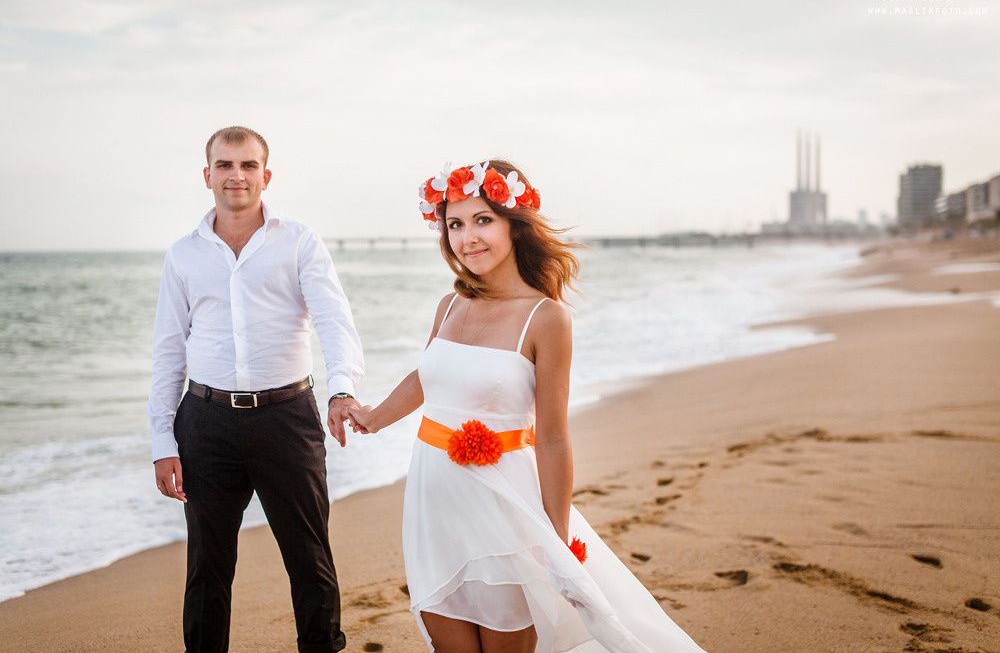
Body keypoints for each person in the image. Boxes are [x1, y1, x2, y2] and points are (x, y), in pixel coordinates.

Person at [348, 160, 705, 652]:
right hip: (433, 503)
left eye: (483, 220)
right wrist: (372, 418)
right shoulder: (449, 305)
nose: (468, 237)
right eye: (455, 224)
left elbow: (553, 437)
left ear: (514, 226)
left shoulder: (547, 318)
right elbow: (426, 377)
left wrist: (557, 542)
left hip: (504, 506)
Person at [148, 126, 364, 653]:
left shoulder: (300, 241)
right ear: (208, 175)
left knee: (309, 558)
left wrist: (341, 391)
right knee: (206, 566)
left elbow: (334, 321)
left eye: (248, 165)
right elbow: (169, 351)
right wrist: (162, 441)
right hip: (205, 422)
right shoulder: (183, 254)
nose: (236, 175)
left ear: (266, 176)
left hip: (287, 418)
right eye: (225, 165)